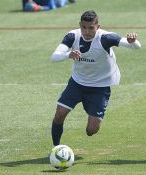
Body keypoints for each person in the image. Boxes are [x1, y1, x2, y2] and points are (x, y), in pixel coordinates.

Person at [50, 10, 141, 146]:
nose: (87, 31)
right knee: (59, 114)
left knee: (91, 130)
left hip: (100, 87)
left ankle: (91, 112)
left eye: (91, 28)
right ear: (80, 25)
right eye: (84, 27)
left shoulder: (106, 38)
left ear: (97, 27)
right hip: (77, 83)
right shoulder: (72, 36)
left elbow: (136, 47)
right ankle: (55, 148)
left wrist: (133, 42)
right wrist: (68, 55)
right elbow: (54, 56)